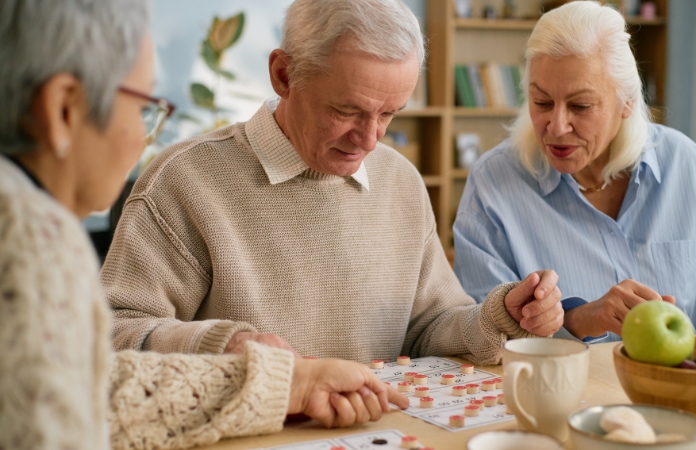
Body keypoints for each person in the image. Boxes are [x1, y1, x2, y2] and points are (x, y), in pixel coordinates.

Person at [0, 1, 409, 448]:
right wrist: (246, 358)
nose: (144, 138)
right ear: (63, 109)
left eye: (388, 115)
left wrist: (288, 383)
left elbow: (94, 386)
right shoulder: (27, 235)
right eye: (144, 107)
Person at [101, 0, 564, 365]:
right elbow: (112, 335)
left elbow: (428, 326)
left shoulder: (399, 180)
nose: (369, 138)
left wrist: (499, 316)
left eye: (389, 113)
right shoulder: (184, 181)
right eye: (347, 111)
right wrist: (223, 347)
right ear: (284, 75)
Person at [453, 0, 696, 343]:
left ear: (628, 101)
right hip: (564, 395)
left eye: (580, 106)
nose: (556, 126)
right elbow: (485, 330)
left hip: (682, 388)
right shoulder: (492, 184)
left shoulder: (688, 166)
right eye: (541, 102)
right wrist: (578, 319)